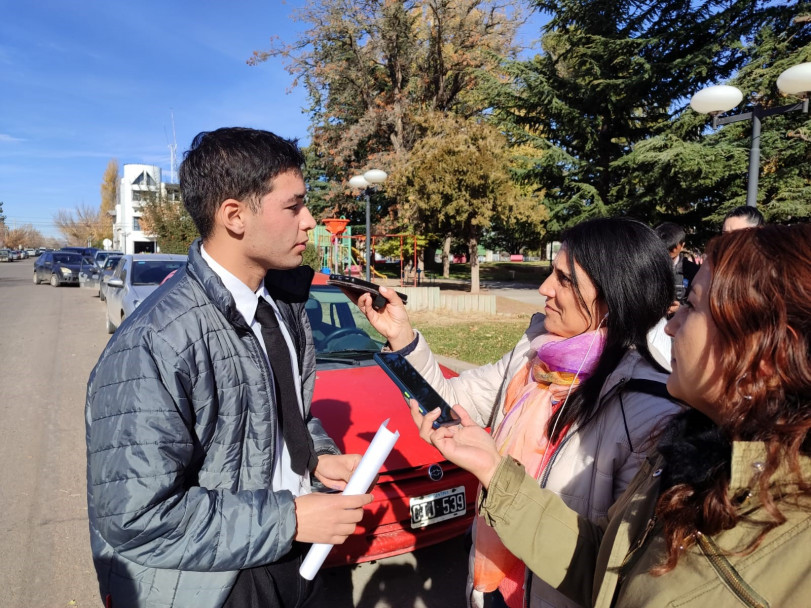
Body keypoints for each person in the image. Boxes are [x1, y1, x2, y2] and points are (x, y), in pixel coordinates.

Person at [413, 223, 811, 607]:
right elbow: (606, 570)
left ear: (765, 349)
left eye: (691, 305)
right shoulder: (536, 356)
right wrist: (495, 473)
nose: (670, 326)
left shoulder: (653, 417)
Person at [85, 127, 372, 608]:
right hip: (218, 582)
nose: (309, 222)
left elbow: (284, 414)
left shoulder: (284, 306)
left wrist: (316, 456)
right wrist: (292, 519)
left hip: (301, 561)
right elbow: (135, 517)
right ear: (235, 217)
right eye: (294, 206)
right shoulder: (154, 341)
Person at [354, 218, 683, 608]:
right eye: (551, 273)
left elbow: (618, 567)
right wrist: (402, 336)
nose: (544, 288)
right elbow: (453, 402)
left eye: (564, 280)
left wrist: (494, 470)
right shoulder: (534, 352)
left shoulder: (648, 411)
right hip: (490, 585)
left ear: (613, 296)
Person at [654, 222, 700, 316]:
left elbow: (700, 303)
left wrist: (682, 307)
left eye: (672, 248)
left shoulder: (693, 271)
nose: (668, 252)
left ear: (682, 245)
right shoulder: (648, 268)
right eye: (665, 248)